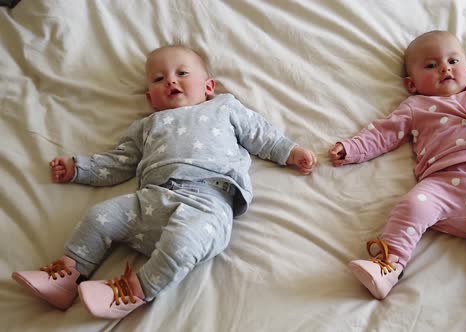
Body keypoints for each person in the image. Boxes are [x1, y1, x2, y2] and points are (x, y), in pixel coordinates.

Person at [12, 45, 317, 319]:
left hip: (208, 202)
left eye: (182, 73)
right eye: (158, 79)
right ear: (150, 99)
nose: (170, 81)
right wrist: (79, 168)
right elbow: (119, 162)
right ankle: (66, 274)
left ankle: (135, 289)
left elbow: (260, 134)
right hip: (151, 200)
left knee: (183, 244)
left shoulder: (223, 107)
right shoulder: (147, 125)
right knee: (99, 217)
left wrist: (290, 152)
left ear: (209, 86)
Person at [328, 31, 466, 332]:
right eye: (431, 66)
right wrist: (350, 149)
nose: (445, 68)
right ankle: (388, 266)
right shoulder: (415, 106)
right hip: (443, 183)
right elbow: (383, 133)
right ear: (411, 84)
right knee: (411, 207)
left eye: (453, 61)